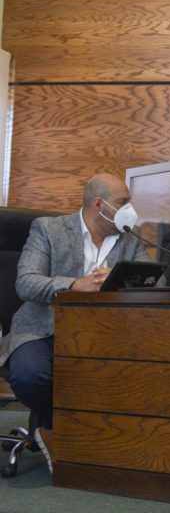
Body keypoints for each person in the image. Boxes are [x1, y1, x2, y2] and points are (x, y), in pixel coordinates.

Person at [0, 173, 152, 473]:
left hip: (106, 334)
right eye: (122, 202)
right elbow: (27, 282)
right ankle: (54, 428)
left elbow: (155, 281)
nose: (129, 210)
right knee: (31, 375)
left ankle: (66, 432)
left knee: (143, 372)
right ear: (99, 205)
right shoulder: (49, 228)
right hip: (44, 328)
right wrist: (75, 284)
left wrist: (120, 282)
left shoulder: (130, 237)